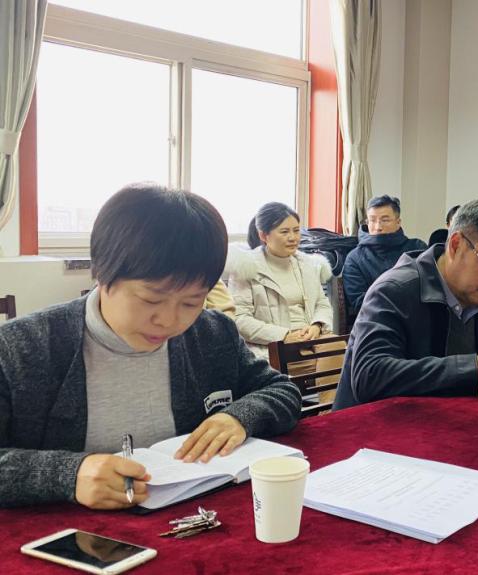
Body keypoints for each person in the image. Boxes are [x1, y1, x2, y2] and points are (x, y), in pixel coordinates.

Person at [0, 183, 301, 509]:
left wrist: (239, 418)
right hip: (68, 534)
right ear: (101, 273)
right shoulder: (21, 349)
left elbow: (282, 391)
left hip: (190, 521)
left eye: (191, 302)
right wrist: (67, 474)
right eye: (151, 299)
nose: (169, 321)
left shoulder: (211, 334)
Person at [333, 198, 478, 409]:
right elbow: (370, 375)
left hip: (441, 419)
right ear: (455, 245)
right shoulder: (394, 290)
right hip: (373, 427)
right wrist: (477, 369)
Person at [227, 202, 333, 359]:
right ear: (263, 236)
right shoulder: (245, 267)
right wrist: (284, 335)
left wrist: (317, 326)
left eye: (296, 230)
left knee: (339, 348)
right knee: (330, 361)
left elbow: (322, 303)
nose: (293, 238)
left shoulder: (308, 264)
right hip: (271, 345)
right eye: (284, 232)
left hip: (311, 338)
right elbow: (240, 319)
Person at [342, 195, 427, 319]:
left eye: (385, 220)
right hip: (376, 321)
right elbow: (359, 302)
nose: (378, 227)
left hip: (418, 317)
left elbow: (429, 287)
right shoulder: (354, 258)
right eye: (372, 220)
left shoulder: (417, 248)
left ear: (398, 222)